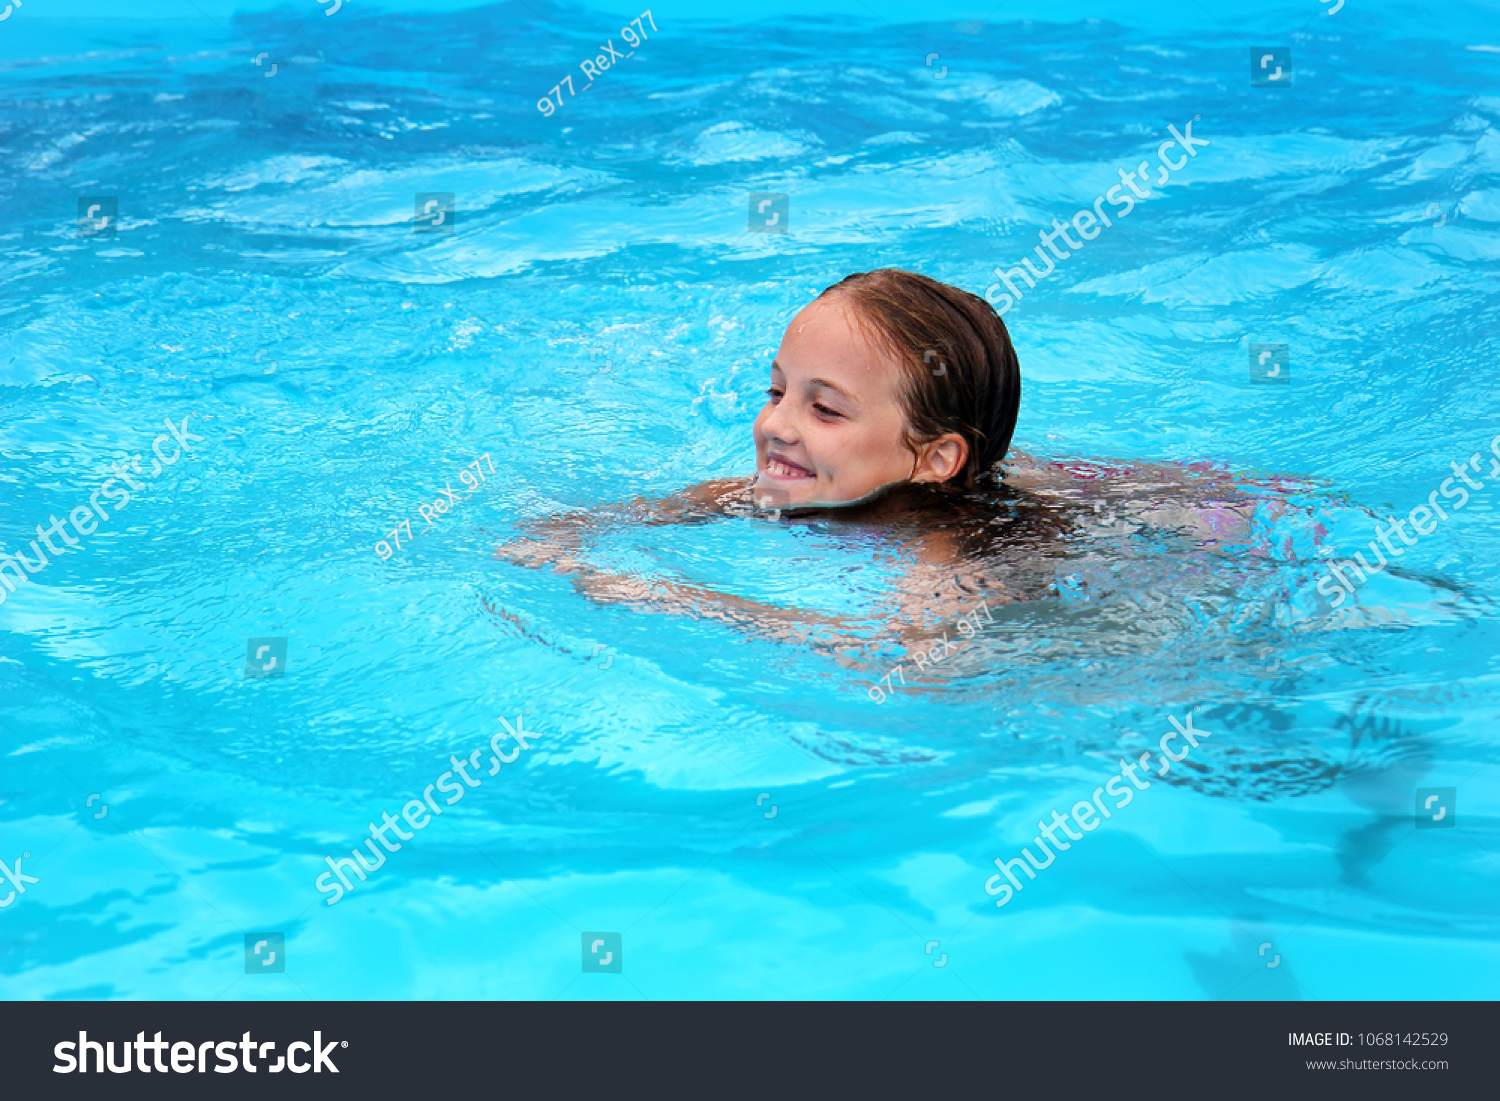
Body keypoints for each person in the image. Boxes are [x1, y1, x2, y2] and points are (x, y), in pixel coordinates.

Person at [495, 269, 1257, 655]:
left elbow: (904, 662)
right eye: (777, 389)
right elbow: (673, 507)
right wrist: (567, 534)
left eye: (824, 409)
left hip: (1183, 554)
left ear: (933, 460)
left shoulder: (947, 551)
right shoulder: (793, 485)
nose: (776, 424)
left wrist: (677, 599)